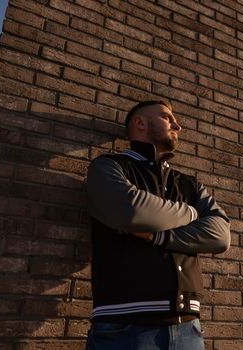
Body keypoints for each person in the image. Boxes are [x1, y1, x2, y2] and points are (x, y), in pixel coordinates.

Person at [85, 100, 231, 349]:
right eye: (167, 117)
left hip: (188, 328)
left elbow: (220, 235)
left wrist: (157, 236)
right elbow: (131, 212)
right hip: (124, 327)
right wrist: (192, 213)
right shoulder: (109, 166)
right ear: (140, 123)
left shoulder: (189, 184)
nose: (178, 125)